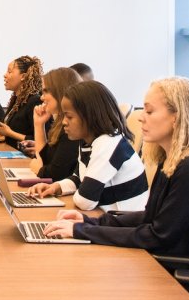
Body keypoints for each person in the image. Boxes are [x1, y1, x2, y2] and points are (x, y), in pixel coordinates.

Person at [41, 77, 189, 262]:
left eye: (149, 112)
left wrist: (81, 231)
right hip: (159, 258)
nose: (141, 117)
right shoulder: (173, 160)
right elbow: (151, 218)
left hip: (173, 274)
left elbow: (157, 235)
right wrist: (88, 222)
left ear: (176, 117)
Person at [26, 81, 147, 210]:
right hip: (106, 218)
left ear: (90, 116)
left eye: (69, 117)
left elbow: (85, 201)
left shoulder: (107, 144)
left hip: (123, 223)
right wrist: (56, 187)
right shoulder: (88, 142)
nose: (64, 122)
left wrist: (80, 192)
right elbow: (79, 177)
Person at [24, 67, 82, 179]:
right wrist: (39, 124)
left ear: (60, 91)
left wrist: (39, 169)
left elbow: (54, 175)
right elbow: (45, 159)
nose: (41, 97)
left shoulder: (73, 127)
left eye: (45, 92)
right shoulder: (60, 122)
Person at [0, 55, 43, 149]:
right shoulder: (17, 98)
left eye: (9, 71)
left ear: (23, 76)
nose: (5, 75)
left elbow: (39, 139)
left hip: (26, 158)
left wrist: (9, 133)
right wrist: (4, 135)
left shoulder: (35, 101)